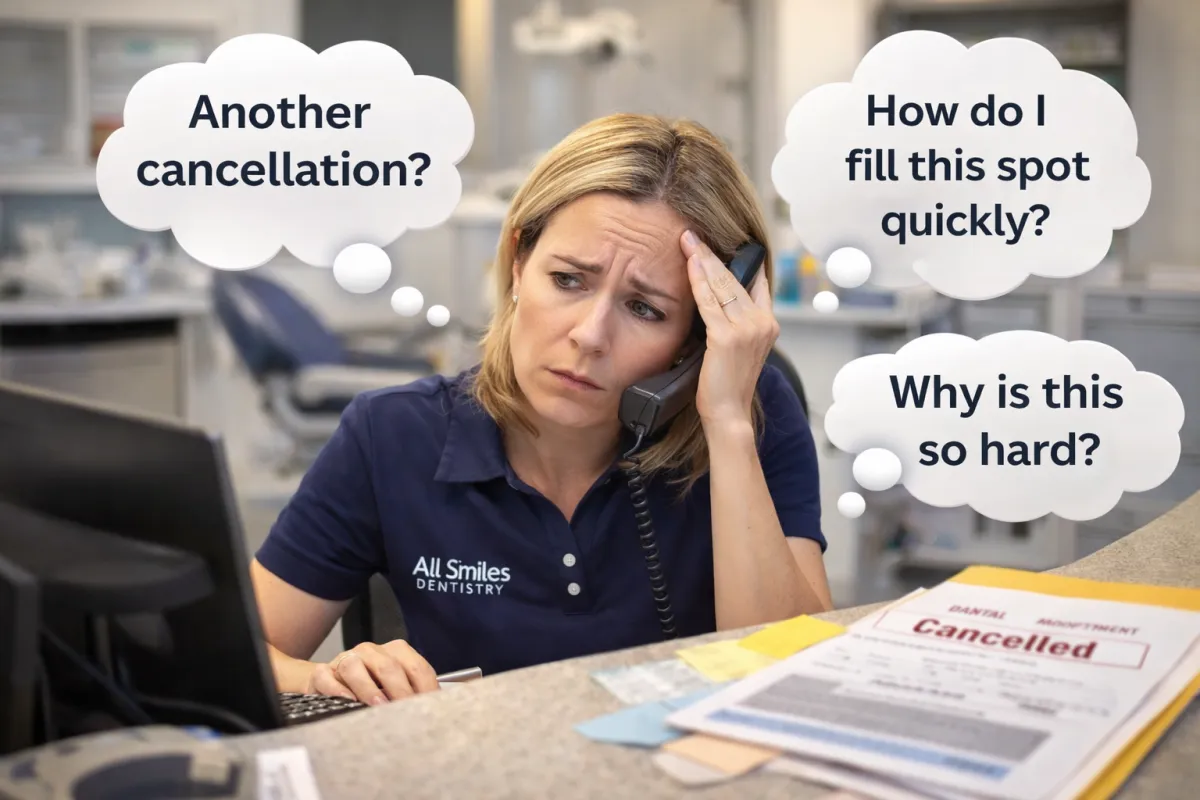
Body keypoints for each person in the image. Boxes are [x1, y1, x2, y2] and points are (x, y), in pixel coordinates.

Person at [251, 113, 832, 706]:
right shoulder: (391, 435)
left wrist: (728, 423)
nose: (590, 334)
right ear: (519, 262)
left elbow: (795, 687)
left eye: (646, 309)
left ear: (697, 338)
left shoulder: (751, 416)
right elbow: (233, 657)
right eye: (568, 280)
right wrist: (322, 677)